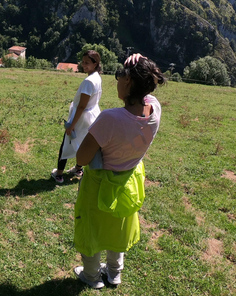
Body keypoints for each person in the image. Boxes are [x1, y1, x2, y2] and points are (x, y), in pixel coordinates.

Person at [71, 53, 166, 289]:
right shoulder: (154, 108)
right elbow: (147, 89)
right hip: (129, 181)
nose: (116, 79)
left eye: (120, 74)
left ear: (130, 82)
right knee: (118, 227)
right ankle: (114, 273)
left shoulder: (110, 119)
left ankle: (92, 276)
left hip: (100, 185)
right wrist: (142, 60)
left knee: (93, 229)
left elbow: (81, 157)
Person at [51, 50, 103, 184]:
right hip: (92, 115)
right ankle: (78, 168)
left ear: (95, 63)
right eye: (83, 62)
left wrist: (71, 125)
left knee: (67, 143)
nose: (83, 65)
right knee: (84, 142)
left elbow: (81, 106)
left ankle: (59, 174)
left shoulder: (88, 81)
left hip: (81, 117)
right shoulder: (97, 77)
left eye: (87, 63)